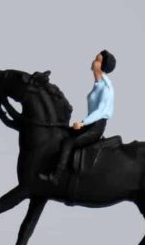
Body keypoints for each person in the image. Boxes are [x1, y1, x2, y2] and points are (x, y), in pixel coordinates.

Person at [41, 50, 116, 184]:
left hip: (96, 127)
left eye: (97, 60)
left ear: (101, 66)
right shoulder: (98, 85)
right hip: (90, 124)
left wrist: (83, 123)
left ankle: (56, 176)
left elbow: (100, 111)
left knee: (69, 142)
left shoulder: (106, 88)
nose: (94, 61)